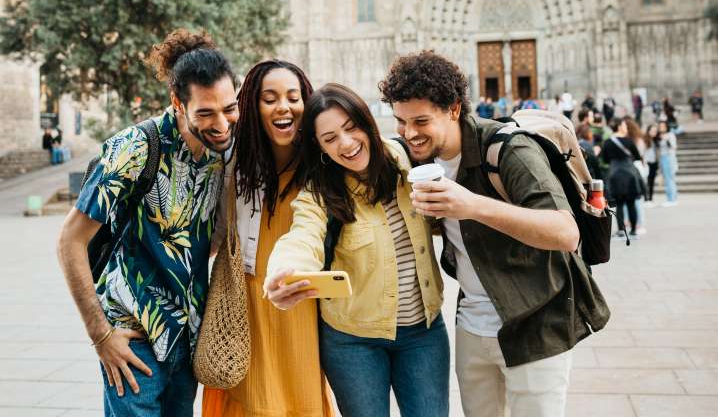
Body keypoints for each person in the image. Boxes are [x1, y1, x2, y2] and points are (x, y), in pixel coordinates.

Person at [379, 51, 609, 417]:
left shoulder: (509, 149)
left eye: (421, 121)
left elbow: (566, 232)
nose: (409, 133)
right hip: (472, 329)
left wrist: (471, 206)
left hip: (537, 325)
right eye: (401, 122)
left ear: (454, 109)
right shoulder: (422, 159)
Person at [57, 29, 238, 417]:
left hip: (188, 344)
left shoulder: (219, 155)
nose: (222, 123)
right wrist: (100, 335)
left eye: (229, 108)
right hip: (133, 340)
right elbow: (69, 240)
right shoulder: (135, 147)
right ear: (178, 103)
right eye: (206, 113)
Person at [265, 83, 449, 417]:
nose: (346, 144)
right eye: (331, 138)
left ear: (366, 122)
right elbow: (302, 236)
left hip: (424, 333)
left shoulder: (406, 160)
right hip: (353, 342)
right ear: (320, 147)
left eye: (351, 128)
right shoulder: (320, 191)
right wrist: (285, 270)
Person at [202, 60, 335, 417]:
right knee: (252, 401)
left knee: (300, 398)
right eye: (270, 98)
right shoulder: (233, 164)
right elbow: (215, 236)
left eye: (293, 97)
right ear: (252, 106)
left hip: (301, 304)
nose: (283, 107)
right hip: (246, 306)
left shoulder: (321, 163)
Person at [600, 118, 645, 240]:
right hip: (629, 173)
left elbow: (604, 159)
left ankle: (621, 231)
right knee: (631, 203)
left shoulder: (608, 142)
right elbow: (636, 156)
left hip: (615, 173)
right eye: (624, 125)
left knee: (619, 204)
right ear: (619, 126)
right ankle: (634, 230)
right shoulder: (628, 141)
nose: (626, 127)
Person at [623, 118, 647, 235]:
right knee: (629, 198)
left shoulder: (636, 141)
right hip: (631, 170)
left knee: (637, 198)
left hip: (635, 170)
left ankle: (640, 223)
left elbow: (639, 155)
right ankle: (631, 221)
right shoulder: (631, 141)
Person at [657, 120, 679, 207]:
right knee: (667, 179)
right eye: (660, 126)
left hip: (669, 158)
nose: (661, 128)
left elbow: (674, 147)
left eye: (663, 126)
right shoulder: (659, 136)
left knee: (670, 179)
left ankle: (672, 199)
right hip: (662, 158)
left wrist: (667, 140)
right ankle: (671, 198)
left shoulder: (670, 135)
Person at [642, 124, 659, 205]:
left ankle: (651, 199)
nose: (654, 132)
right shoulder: (645, 140)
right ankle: (646, 199)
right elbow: (642, 152)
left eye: (655, 131)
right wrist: (644, 162)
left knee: (652, 181)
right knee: (647, 181)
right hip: (647, 163)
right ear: (648, 131)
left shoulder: (655, 140)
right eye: (652, 131)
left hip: (654, 163)